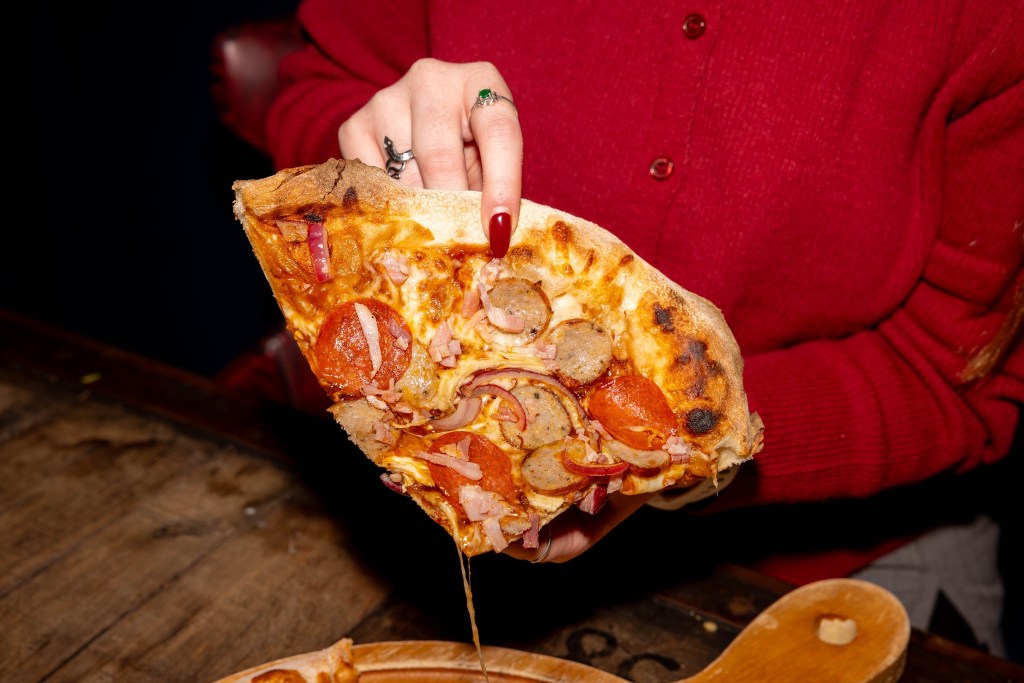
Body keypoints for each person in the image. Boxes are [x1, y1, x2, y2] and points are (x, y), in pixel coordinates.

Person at [251, 0, 1023, 658]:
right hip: (422, 516)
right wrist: (379, 162)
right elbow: (315, 93)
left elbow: (957, 374)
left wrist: (674, 440)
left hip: (841, 559)